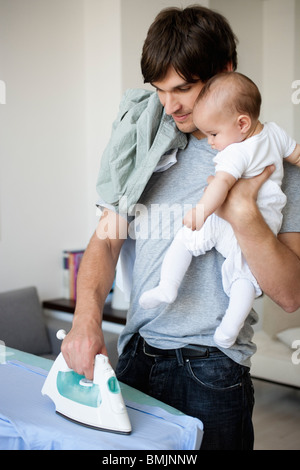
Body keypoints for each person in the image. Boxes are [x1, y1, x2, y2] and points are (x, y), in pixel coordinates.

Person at [61, 6, 300, 450]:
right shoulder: (146, 150)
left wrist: (244, 214)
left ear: (225, 70)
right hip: (135, 353)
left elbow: (291, 295)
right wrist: (85, 320)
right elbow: (106, 240)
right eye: (159, 90)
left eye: (183, 89)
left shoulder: (273, 164)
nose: (169, 105)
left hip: (212, 369)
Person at [139, 71, 300, 349]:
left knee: (185, 239)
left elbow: (220, 186)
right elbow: (296, 154)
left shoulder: (235, 152)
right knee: (245, 280)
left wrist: (200, 213)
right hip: (264, 228)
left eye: (213, 134)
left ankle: (168, 285)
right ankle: (229, 328)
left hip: (226, 225)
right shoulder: (274, 133)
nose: (211, 142)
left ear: (241, 123)